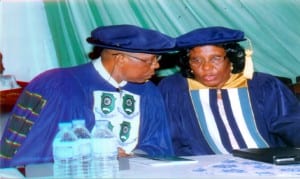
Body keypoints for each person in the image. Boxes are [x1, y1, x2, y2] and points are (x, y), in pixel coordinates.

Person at [0, 24, 175, 168]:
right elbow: (41, 150)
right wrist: (96, 152)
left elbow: (158, 145)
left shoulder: (148, 92)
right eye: (150, 61)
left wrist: (132, 156)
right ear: (121, 58)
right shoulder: (61, 84)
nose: (156, 66)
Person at [158, 26, 300, 156]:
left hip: (267, 161)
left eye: (215, 59)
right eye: (196, 60)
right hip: (205, 165)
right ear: (188, 64)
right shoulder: (174, 89)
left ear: (232, 59)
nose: (206, 68)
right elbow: (170, 137)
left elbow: (292, 124)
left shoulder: (263, 85)